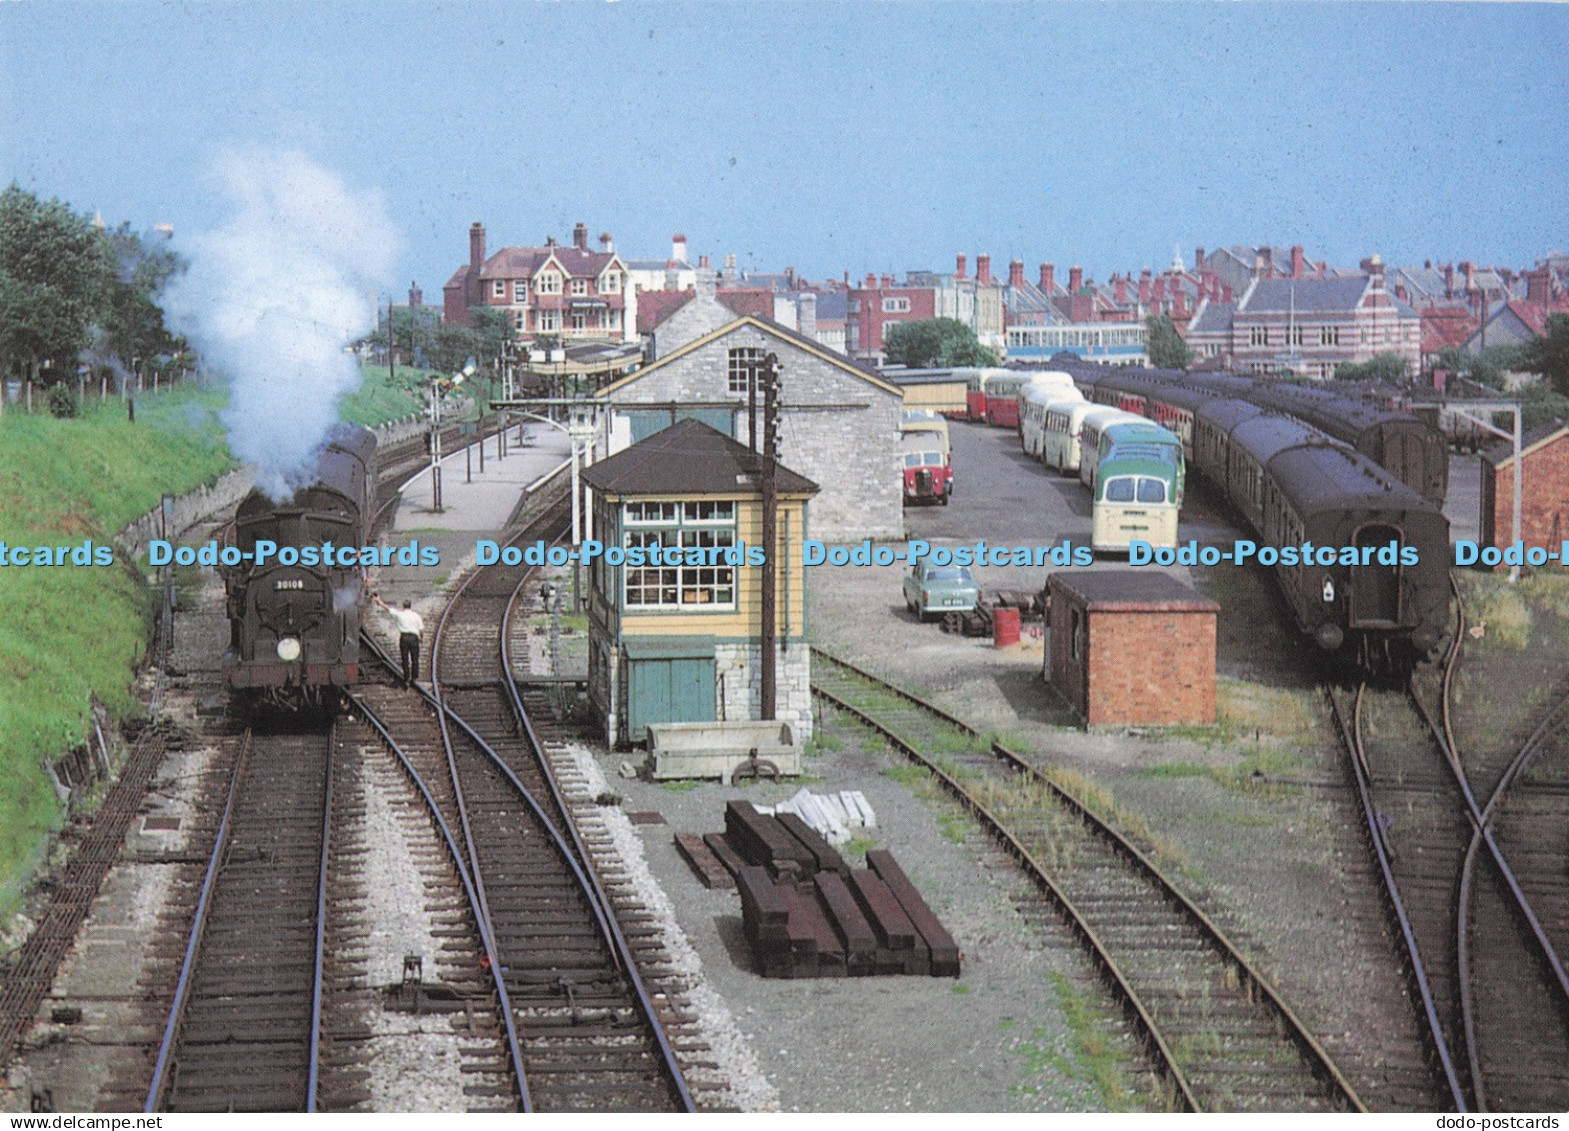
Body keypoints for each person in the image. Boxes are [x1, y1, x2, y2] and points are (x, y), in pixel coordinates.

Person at [375, 594, 424, 688]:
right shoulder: (416, 616)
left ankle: (406, 678)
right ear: (410, 606)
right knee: (415, 659)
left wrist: (379, 601)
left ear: (403, 606)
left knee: (405, 659)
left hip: (404, 638)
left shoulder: (400, 614)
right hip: (414, 638)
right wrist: (421, 638)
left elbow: (388, 609)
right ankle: (414, 678)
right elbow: (421, 629)